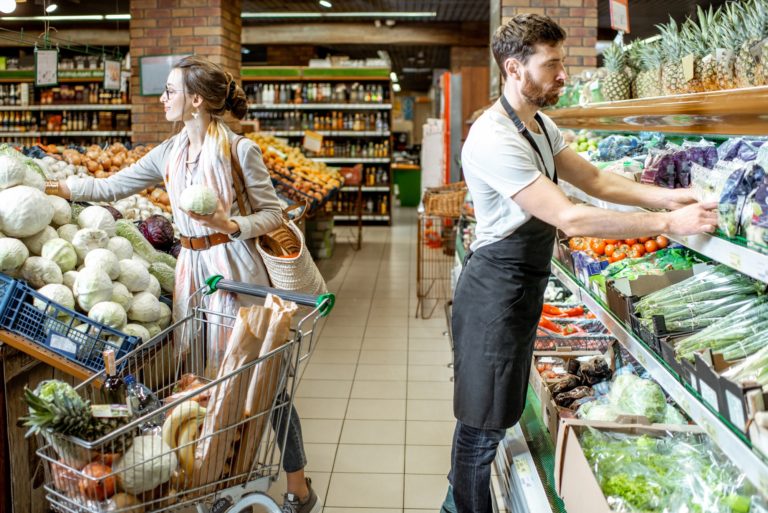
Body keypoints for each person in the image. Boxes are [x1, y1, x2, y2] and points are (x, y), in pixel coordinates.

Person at [442, 14, 718, 513]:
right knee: (481, 428)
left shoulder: (539, 125)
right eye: (552, 65)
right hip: (493, 292)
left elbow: (596, 181)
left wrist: (674, 197)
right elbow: (569, 215)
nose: (563, 75)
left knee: (494, 414)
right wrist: (665, 226)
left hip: (519, 288)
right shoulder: (493, 137)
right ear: (514, 68)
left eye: (562, 62)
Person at [45, 55, 320, 513]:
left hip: (236, 270)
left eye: (170, 91)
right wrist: (62, 190)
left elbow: (275, 214)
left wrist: (228, 223)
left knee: (261, 381)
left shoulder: (238, 150)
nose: (162, 98)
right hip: (192, 271)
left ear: (195, 100)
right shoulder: (170, 152)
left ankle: (298, 483)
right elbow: (114, 186)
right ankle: (215, 475)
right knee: (201, 379)